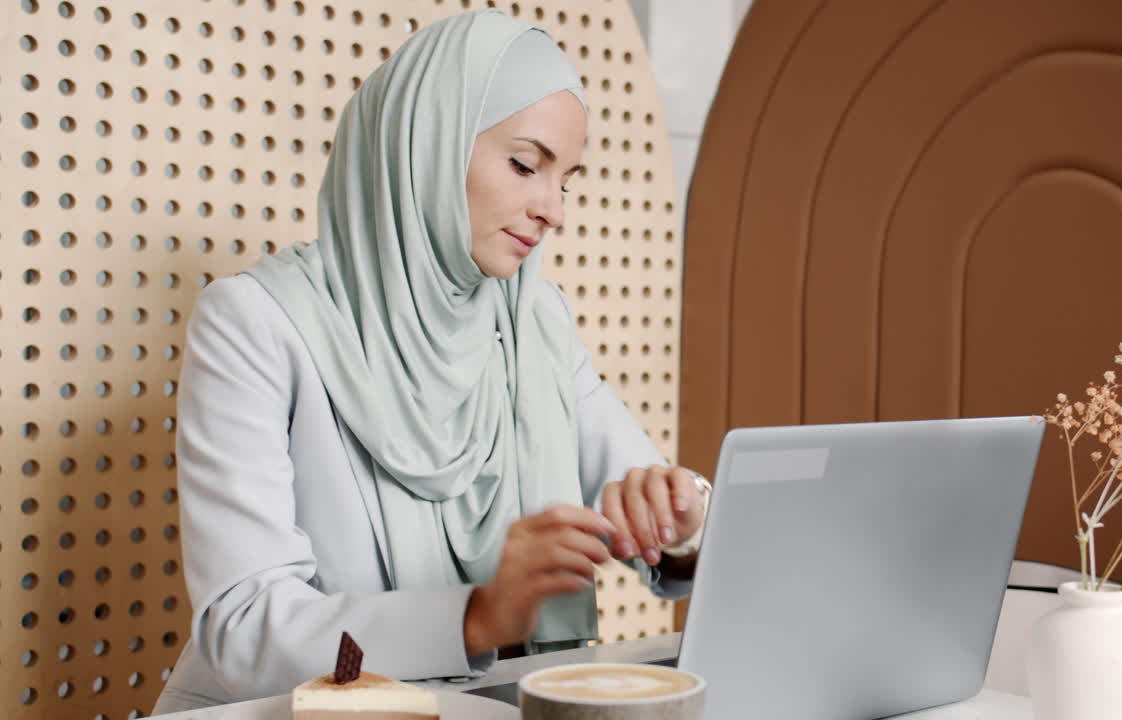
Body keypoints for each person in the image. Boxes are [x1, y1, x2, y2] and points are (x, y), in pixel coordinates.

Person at [152, 9, 707, 713]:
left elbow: (653, 510)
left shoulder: (536, 324)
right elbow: (245, 627)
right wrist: (476, 616)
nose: (553, 210)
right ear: (425, 144)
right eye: (525, 164)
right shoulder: (256, 322)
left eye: (565, 179)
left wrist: (678, 519)